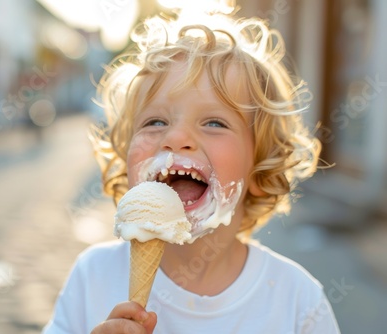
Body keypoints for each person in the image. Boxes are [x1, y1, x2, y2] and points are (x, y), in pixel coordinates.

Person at [43, 2, 341, 333]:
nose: (176, 138)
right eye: (155, 121)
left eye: (214, 122)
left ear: (258, 169)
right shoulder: (92, 277)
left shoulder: (297, 302)